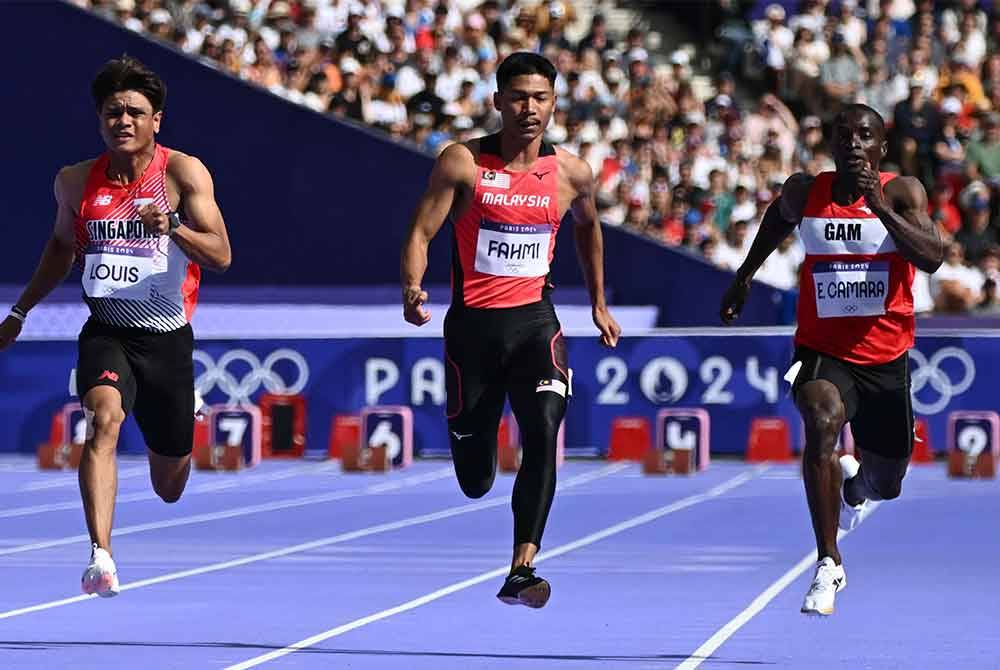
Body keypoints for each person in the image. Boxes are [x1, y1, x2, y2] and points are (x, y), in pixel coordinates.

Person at [0, 56, 231, 597]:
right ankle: (100, 554)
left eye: (134, 112)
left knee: (168, 485)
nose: (122, 121)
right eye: (112, 113)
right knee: (101, 422)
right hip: (105, 330)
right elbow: (60, 248)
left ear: (157, 121)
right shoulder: (75, 181)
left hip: (167, 338)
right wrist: (20, 311)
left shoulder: (182, 174)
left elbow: (221, 254)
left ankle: (184, 411)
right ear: (99, 121)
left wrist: (173, 226)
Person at [400, 52, 621, 609]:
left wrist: (598, 303)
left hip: (535, 325)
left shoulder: (571, 173)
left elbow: (589, 230)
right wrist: (412, 286)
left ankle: (523, 565)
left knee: (544, 429)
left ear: (553, 104)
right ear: (498, 101)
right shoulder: (462, 164)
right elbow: (422, 231)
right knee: (475, 478)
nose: (530, 108)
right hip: (472, 332)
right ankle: (469, 441)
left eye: (540, 98)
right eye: (519, 97)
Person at [719, 104, 943, 616]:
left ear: (881, 147)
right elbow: (778, 218)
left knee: (888, 483)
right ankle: (828, 561)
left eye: (864, 135)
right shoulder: (806, 191)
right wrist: (744, 275)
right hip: (824, 351)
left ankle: (856, 487)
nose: (852, 143)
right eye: (842, 135)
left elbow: (931, 256)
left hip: (886, 358)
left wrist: (879, 205)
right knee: (820, 420)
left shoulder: (903, 191)